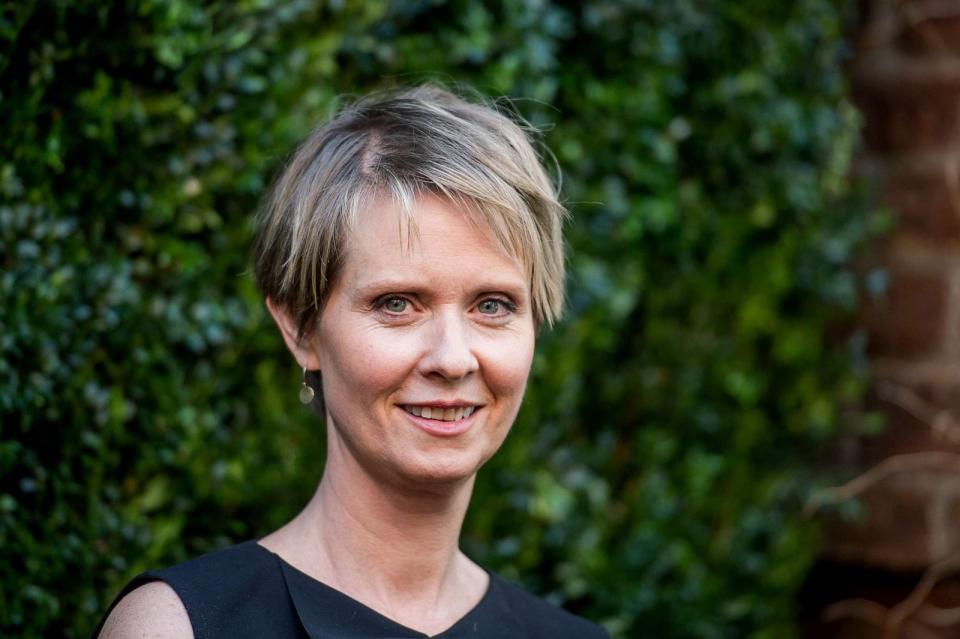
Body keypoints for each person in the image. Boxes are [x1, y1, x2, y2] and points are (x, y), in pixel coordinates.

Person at [94, 85, 608, 639]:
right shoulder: (179, 626)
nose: (453, 359)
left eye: (493, 305)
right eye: (397, 304)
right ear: (301, 327)